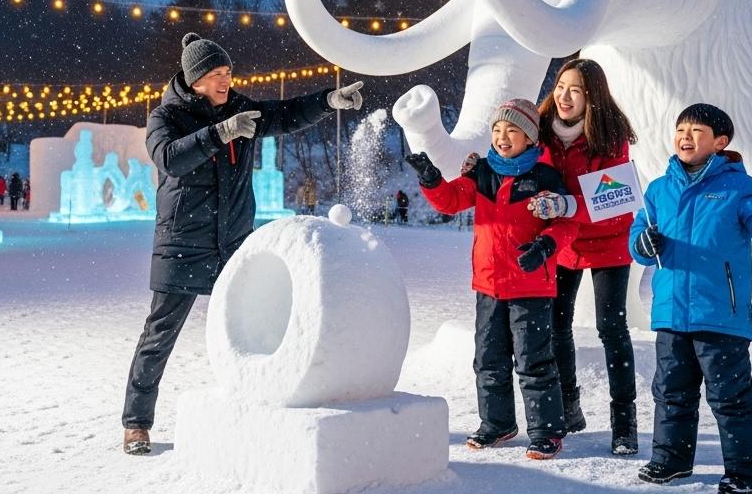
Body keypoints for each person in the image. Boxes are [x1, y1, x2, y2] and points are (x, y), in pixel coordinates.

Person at [121, 32, 362, 456]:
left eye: (227, 72)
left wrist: (328, 101)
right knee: (159, 335)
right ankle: (137, 423)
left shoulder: (240, 110)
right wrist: (219, 134)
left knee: (253, 328)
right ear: (193, 79)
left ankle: (257, 410)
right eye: (215, 74)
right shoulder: (165, 116)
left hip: (233, 243)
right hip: (182, 242)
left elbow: (285, 113)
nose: (224, 81)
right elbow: (168, 158)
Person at [628, 104, 752, 494]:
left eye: (697, 130)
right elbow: (640, 234)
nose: (686, 135)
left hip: (720, 315)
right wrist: (643, 244)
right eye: (681, 128)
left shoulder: (737, 186)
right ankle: (671, 461)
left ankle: (747, 470)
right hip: (670, 314)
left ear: (720, 142)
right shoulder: (658, 189)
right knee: (671, 392)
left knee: (730, 397)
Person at [404, 99, 578, 461]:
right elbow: (452, 201)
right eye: (498, 130)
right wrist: (431, 179)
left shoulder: (544, 177)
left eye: (512, 130)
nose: (502, 137)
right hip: (488, 284)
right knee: (487, 358)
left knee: (533, 360)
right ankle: (497, 423)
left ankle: (547, 432)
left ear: (530, 137)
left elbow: (566, 224)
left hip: (530, 285)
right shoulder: (482, 172)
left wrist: (545, 247)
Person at [524, 58, 641, 453]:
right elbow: (508, 154)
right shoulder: (540, 131)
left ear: (592, 96)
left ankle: (624, 422)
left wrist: (568, 206)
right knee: (556, 325)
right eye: (560, 86)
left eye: (575, 89)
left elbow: (617, 199)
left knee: (612, 328)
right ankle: (568, 405)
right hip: (562, 242)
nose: (564, 96)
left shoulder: (611, 136)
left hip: (608, 240)